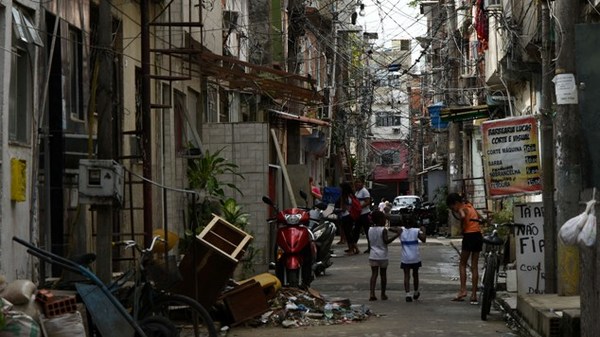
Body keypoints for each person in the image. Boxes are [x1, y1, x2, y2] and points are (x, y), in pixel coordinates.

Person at [446, 192, 483, 304]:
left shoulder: (462, 208)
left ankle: (463, 290)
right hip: (477, 235)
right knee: (474, 266)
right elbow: (480, 217)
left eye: (453, 207)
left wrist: (462, 226)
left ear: (456, 203)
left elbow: (462, 215)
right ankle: (474, 295)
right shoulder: (470, 206)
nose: (454, 210)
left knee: (462, 263)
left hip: (469, 236)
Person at [367, 210, 399, 301]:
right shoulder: (383, 230)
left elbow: (370, 243)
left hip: (373, 255)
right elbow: (386, 241)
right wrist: (396, 235)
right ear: (381, 220)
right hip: (383, 255)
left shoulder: (370, 229)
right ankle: (383, 294)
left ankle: (372, 293)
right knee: (383, 275)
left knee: (374, 275)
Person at [398, 222, 426, 302]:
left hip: (405, 258)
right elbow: (423, 239)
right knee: (415, 275)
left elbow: (390, 228)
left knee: (406, 276)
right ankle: (416, 292)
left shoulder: (401, 230)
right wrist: (424, 230)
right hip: (415, 257)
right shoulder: (416, 230)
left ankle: (408, 294)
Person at [340, 181, 359, 255]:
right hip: (351, 215)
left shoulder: (343, 196)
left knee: (347, 234)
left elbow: (343, 208)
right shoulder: (352, 195)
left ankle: (352, 249)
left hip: (345, 216)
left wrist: (338, 210)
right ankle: (354, 248)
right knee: (349, 233)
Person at [354, 177, 372, 253]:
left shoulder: (365, 191)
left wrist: (359, 207)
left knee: (367, 231)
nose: (357, 184)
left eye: (359, 182)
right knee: (356, 231)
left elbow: (368, 202)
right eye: (356, 182)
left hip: (365, 213)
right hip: (359, 214)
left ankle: (370, 247)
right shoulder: (357, 192)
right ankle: (354, 247)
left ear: (362, 183)